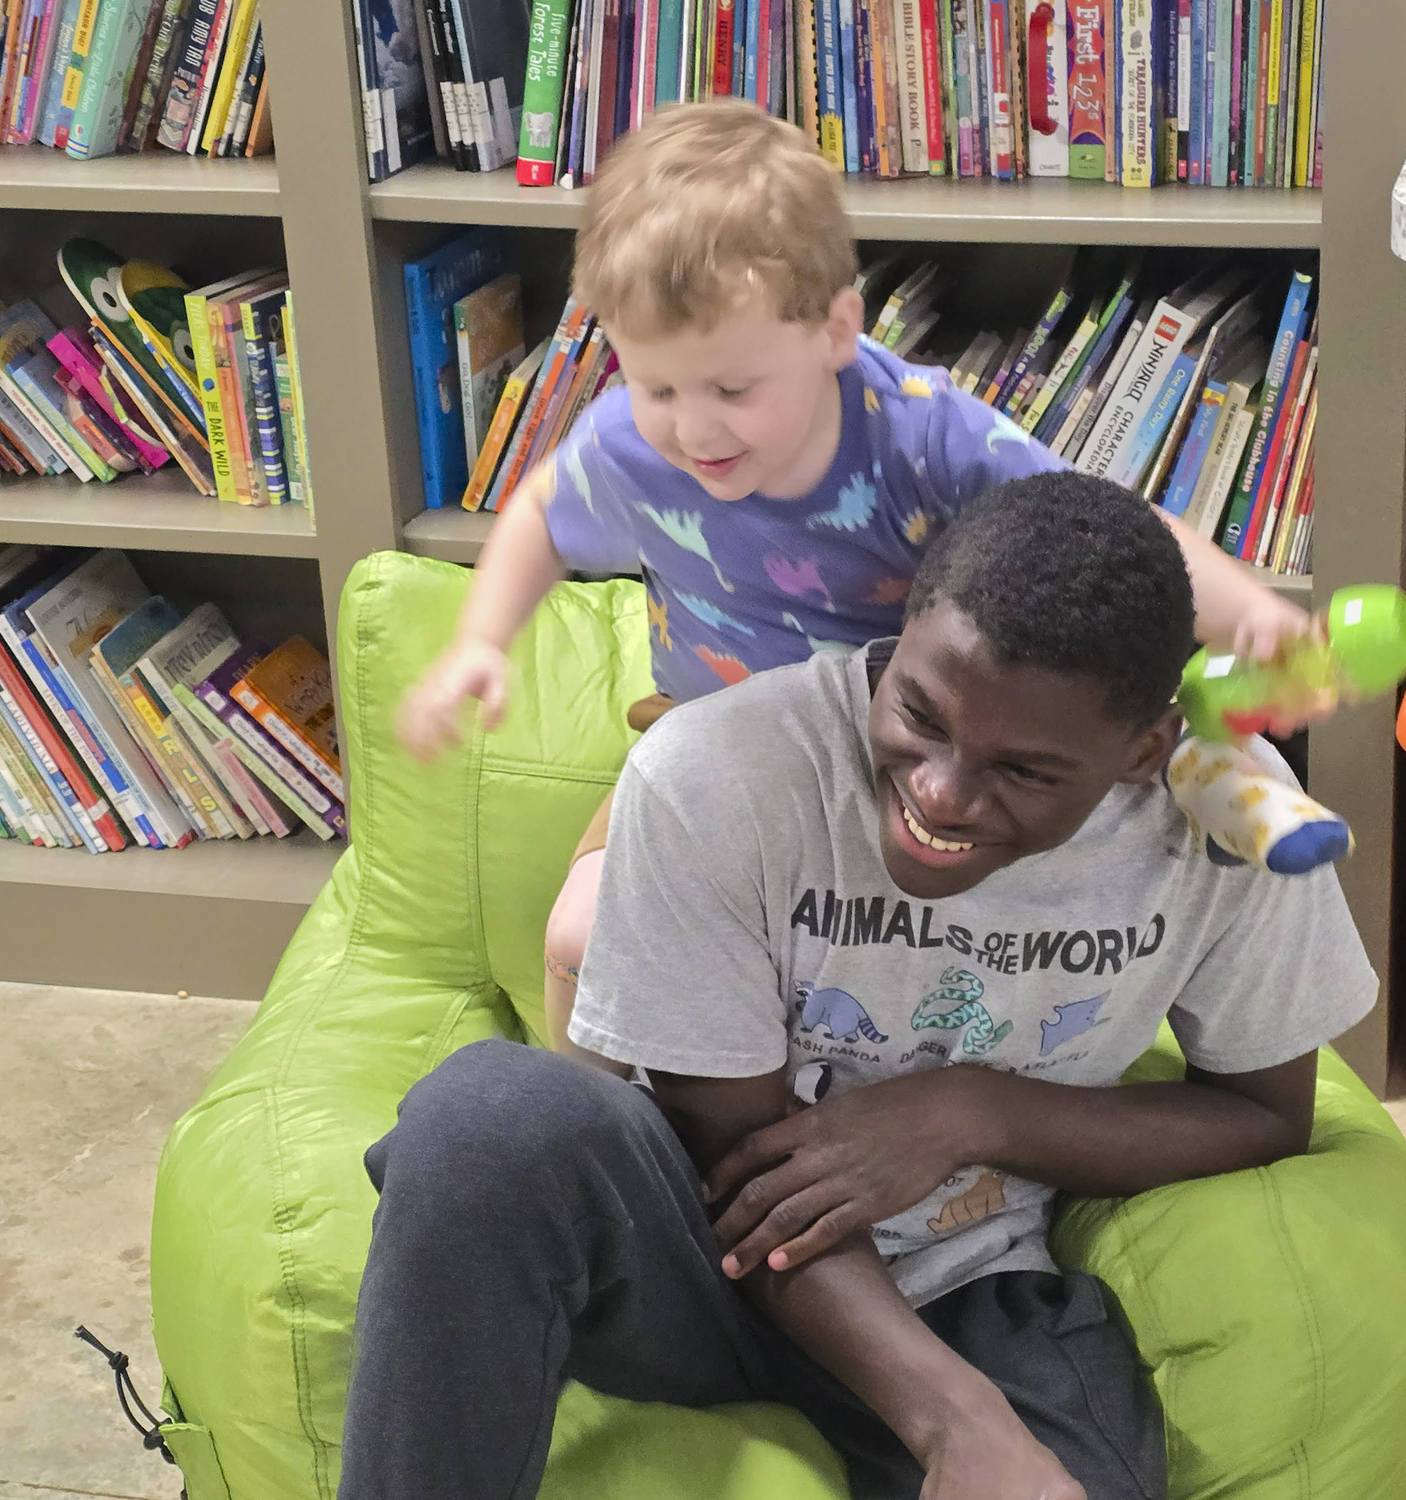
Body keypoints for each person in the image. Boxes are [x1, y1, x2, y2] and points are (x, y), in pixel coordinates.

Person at [341, 473, 1378, 1500]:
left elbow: (1263, 1111)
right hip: (690, 1249)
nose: (937, 792)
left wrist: (963, 1113)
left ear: (1143, 751)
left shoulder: (1234, 820)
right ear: (899, 631)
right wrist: (955, 1420)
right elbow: (744, 1175)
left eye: (1020, 771)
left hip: (968, 1285)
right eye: (918, 713)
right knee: (484, 1115)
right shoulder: (718, 772)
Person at [393, 101, 1324, 1062]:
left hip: (908, 746)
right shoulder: (633, 446)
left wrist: (1251, 609)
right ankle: (600, 1132)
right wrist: (481, 640)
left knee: (1142, 729)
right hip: (710, 744)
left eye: (732, 389)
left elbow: (1102, 528)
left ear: (838, 328)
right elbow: (545, 511)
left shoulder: (921, 434)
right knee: (580, 939)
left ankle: (1216, 771)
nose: (694, 431)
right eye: (656, 385)